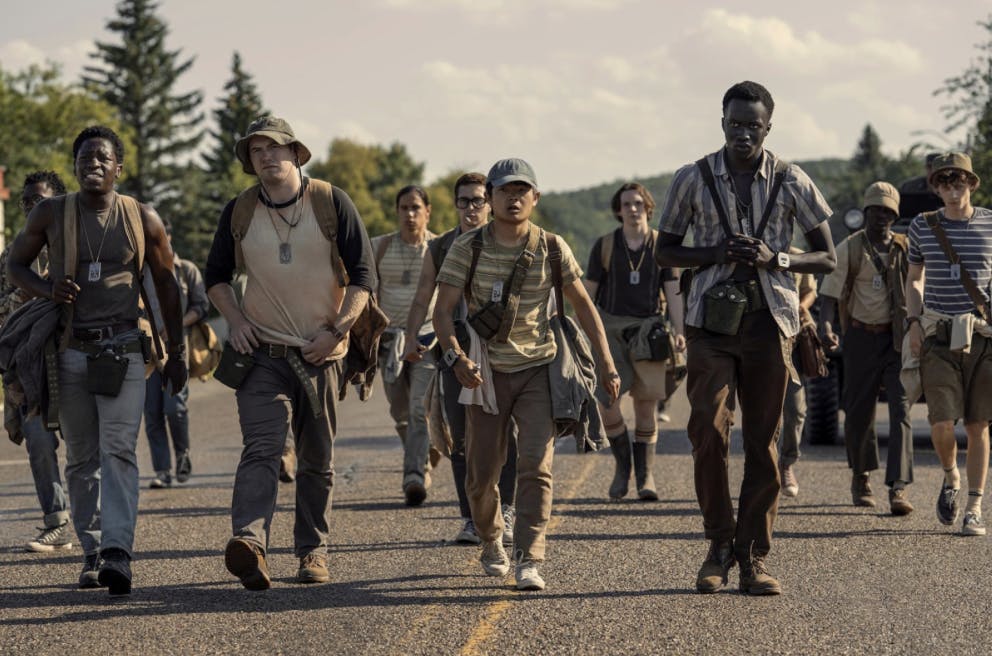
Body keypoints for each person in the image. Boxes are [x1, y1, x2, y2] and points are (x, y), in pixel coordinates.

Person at [654, 81, 835, 595]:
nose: (743, 133)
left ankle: (753, 557)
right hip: (710, 325)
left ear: (768, 128)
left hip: (770, 324)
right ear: (722, 122)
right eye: (735, 123)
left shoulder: (792, 179)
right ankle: (718, 546)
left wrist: (774, 257)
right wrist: (715, 252)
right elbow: (666, 252)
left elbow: (827, 257)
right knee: (708, 433)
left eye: (753, 126)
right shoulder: (691, 178)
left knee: (763, 442)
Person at [8, 126, 188, 596]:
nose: (94, 164)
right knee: (82, 457)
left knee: (120, 451)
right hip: (70, 350)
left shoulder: (141, 218)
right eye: (85, 157)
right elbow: (15, 264)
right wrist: (48, 289)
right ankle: (90, 551)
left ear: (118, 168)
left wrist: (176, 353)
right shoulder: (51, 213)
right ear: (74, 166)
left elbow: (168, 284)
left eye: (103, 158)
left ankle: (117, 552)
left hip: (125, 348)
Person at [204, 116, 375, 589]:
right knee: (262, 447)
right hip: (262, 351)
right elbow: (215, 275)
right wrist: (236, 321)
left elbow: (363, 275)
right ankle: (251, 543)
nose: (265, 157)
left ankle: (312, 551)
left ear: (296, 153)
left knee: (317, 459)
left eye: (274, 148)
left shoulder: (330, 201)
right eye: (256, 151)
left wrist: (339, 330)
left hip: (320, 352)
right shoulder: (238, 211)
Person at [433, 158, 619, 591]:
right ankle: (490, 537)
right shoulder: (468, 248)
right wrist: (455, 357)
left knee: (537, 466)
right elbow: (442, 311)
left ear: (535, 198)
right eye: (505, 191)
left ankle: (530, 558)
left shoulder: (552, 247)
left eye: (522, 191)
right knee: (481, 476)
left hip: (539, 370)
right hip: (484, 374)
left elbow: (583, 306)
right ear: (491, 197)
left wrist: (607, 362)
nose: (513, 199)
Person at [402, 172, 518, 543]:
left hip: (503, 351)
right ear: (454, 205)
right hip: (453, 350)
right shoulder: (441, 247)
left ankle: (509, 512)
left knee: (506, 435)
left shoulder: (506, 239)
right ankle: (471, 518)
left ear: (491, 203)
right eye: (464, 201)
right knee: (460, 437)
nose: (471, 208)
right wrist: (409, 338)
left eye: (478, 200)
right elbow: (423, 297)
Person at [905, 152, 992, 537]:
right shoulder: (923, 227)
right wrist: (913, 321)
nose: (951, 189)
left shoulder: (991, 224)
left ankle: (974, 507)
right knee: (941, 423)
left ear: (972, 184)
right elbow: (913, 279)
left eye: (958, 182)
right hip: (938, 333)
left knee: (977, 425)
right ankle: (950, 475)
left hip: (982, 336)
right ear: (936, 188)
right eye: (943, 183)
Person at [583, 182, 685, 501]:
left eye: (638, 203)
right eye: (626, 204)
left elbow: (673, 291)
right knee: (608, 402)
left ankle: (646, 477)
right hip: (609, 327)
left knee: (645, 404)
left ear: (648, 207)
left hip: (649, 329)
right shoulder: (604, 246)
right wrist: (578, 331)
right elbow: (587, 293)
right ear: (618, 210)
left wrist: (680, 329)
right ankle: (622, 467)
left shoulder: (661, 246)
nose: (632, 209)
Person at [820, 182, 914, 514]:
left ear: (895, 214)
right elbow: (829, 293)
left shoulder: (905, 248)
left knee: (901, 411)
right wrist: (826, 326)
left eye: (888, 211)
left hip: (896, 339)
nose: (881, 217)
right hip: (860, 337)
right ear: (866, 212)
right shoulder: (850, 247)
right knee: (859, 412)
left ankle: (898, 487)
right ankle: (861, 476)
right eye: (875, 210)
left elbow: (920, 288)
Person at [0, 170, 71, 552]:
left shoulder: (77, 243)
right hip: (27, 369)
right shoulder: (11, 255)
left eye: (40, 201)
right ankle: (55, 522)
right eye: (26, 202)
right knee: (39, 444)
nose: (32, 208)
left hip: (73, 358)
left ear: (58, 203)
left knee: (83, 446)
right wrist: (26, 295)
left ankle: (100, 527)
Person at [374, 186, 437, 506]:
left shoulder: (439, 249)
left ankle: (414, 475)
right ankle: (423, 452)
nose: (410, 214)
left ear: (428, 211)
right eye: (404, 208)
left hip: (427, 342)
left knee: (417, 409)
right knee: (400, 413)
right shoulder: (380, 247)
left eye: (415, 207)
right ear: (396, 211)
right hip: (388, 346)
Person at [142, 217, 210, 488]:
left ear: (167, 238)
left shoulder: (186, 270)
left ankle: (183, 455)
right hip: (147, 350)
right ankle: (162, 471)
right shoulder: (140, 270)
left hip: (176, 348)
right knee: (152, 413)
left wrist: (176, 325)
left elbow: (201, 306)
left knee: (175, 408)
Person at [779, 246, 817, 498]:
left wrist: (801, 306)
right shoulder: (756, 252)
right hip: (762, 339)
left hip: (793, 341)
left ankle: (786, 463)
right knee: (761, 411)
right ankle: (762, 468)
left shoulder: (799, 255)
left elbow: (810, 291)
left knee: (795, 410)